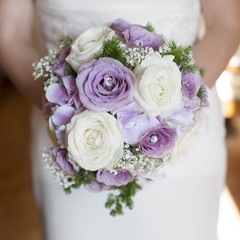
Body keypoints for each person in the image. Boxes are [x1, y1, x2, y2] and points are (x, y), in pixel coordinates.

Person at [0, 0, 240, 239]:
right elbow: (9, 35)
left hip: (182, 143)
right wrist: (67, 108)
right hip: (69, 141)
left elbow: (226, 23)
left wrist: (170, 109)